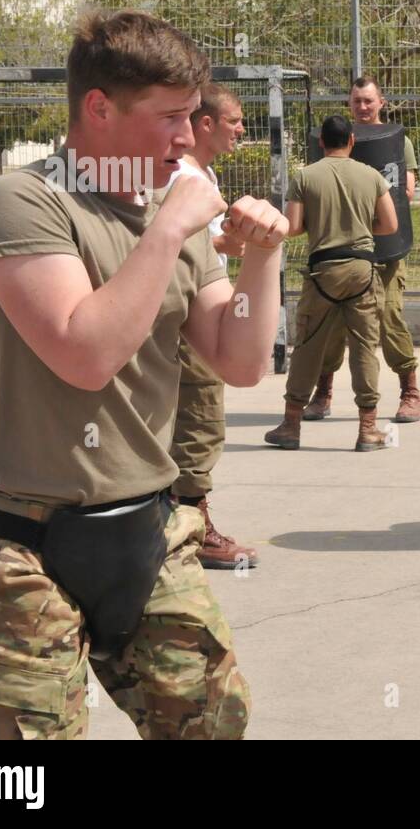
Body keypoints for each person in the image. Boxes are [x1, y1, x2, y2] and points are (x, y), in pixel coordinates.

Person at [0, 8, 287, 739]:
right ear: (98, 108)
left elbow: (240, 359)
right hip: (26, 543)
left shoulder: (175, 204)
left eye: (193, 117)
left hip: (152, 527)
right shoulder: (24, 201)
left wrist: (262, 254)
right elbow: (85, 353)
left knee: (211, 722)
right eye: (169, 118)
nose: (188, 138)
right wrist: (169, 229)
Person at [166, 81, 260, 569]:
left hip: (205, 305)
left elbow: (195, 246)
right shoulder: (182, 175)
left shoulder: (200, 173)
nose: (241, 129)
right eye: (235, 120)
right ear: (206, 123)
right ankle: (193, 527)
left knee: (192, 419)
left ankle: (181, 521)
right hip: (189, 317)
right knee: (199, 420)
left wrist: (224, 245)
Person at [264, 114, 398, 451]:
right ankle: (367, 428)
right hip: (362, 271)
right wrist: (361, 231)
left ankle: (291, 425)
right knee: (364, 348)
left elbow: (293, 227)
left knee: (308, 347)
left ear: (321, 142)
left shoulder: (305, 176)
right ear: (352, 140)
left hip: (323, 272)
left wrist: (320, 225)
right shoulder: (371, 176)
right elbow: (390, 225)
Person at [303, 76, 420, 423]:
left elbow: (406, 192)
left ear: (381, 102)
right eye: (357, 101)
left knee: (389, 319)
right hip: (340, 251)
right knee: (331, 323)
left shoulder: (398, 142)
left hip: (384, 252)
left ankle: (410, 392)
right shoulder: (338, 142)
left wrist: (364, 217)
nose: (363, 107)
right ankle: (323, 392)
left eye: (369, 100)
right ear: (350, 104)